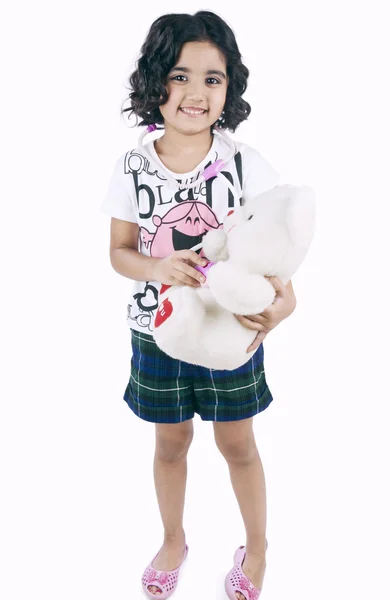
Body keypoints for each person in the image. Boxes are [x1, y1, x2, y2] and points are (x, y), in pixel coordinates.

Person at [101, 10, 297, 600]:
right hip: (156, 331)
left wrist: (283, 310)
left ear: (229, 90)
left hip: (228, 334)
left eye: (213, 79)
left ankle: (257, 549)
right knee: (170, 443)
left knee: (238, 445)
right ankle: (172, 538)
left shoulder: (246, 164)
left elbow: (280, 258)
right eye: (180, 75)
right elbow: (118, 252)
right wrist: (156, 267)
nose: (195, 92)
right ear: (155, 81)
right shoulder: (132, 167)